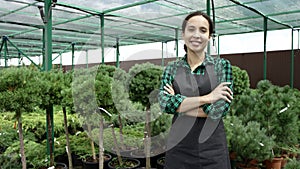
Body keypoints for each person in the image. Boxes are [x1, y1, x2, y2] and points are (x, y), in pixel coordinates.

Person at [158, 11, 233, 169]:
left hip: (212, 151)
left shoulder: (222, 66)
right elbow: (165, 104)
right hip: (179, 148)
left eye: (203, 30)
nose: (196, 35)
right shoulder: (172, 68)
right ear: (183, 34)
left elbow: (217, 111)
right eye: (191, 29)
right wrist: (209, 97)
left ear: (210, 37)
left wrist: (179, 103)